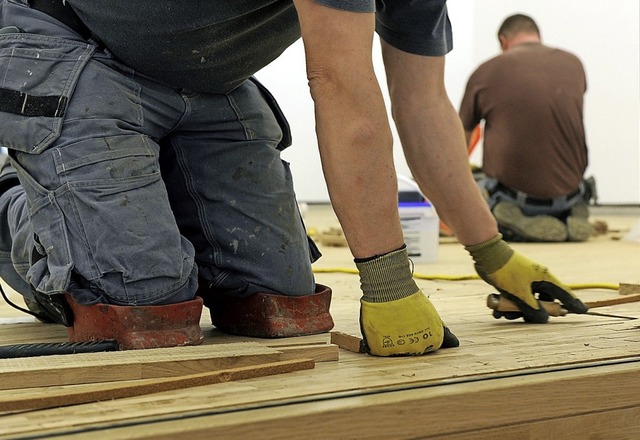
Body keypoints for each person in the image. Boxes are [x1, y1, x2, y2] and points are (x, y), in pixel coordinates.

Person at [0, 0, 588, 356]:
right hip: (66, 36)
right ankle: (19, 204)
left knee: (282, 306)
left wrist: (492, 253)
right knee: (143, 310)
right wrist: (388, 284)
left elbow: (424, 109)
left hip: (201, 79)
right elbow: (339, 84)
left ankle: (119, 198)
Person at [459, 13, 593, 243]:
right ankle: (571, 210)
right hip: (572, 192)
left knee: (474, 180)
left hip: (515, 199)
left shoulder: (486, 71)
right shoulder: (574, 63)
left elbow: (459, 142)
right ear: (537, 35)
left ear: (503, 41)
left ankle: (513, 217)